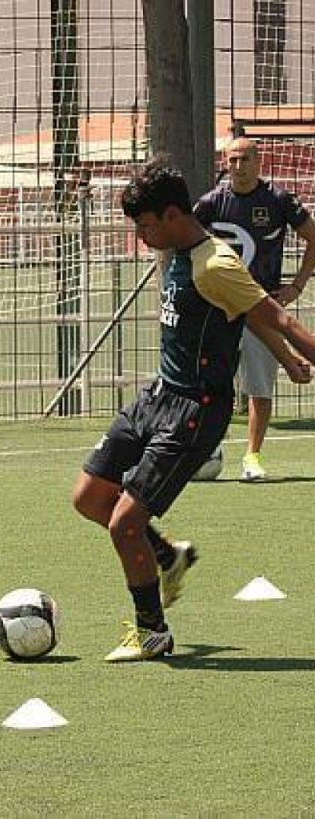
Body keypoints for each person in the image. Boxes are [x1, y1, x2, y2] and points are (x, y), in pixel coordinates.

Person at [72, 157, 315, 662]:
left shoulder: (216, 263)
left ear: (172, 215)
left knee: (123, 523)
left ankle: (153, 631)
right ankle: (167, 556)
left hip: (195, 410)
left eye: (144, 227)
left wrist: (294, 352)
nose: (140, 237)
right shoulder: (181, 252)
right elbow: (240, 315)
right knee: (89, 497)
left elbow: (277, 316)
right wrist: (286, 361)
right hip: (158, 394)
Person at [194, 136, 315, 480]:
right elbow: (185, 242)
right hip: (218, 310)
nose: (238, 166)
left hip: (262, 307)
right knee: (211, 385)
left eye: (245, 159)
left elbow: (313, 238)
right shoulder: (212, 203)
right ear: (224, 163)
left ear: (258, 162)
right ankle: (204, 447)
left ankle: (253, 456)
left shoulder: (278, 200)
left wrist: (296, 285)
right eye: (232, 160)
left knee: (259, 387)